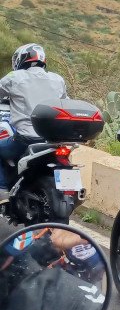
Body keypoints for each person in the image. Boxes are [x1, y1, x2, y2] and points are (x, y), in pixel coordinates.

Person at [0, 43, 67, 203]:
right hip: (53, 141)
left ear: (22, 59)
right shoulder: (57, 79)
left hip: (26, 140)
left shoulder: (14, 78)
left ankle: (2, 191)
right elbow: (65, 102)